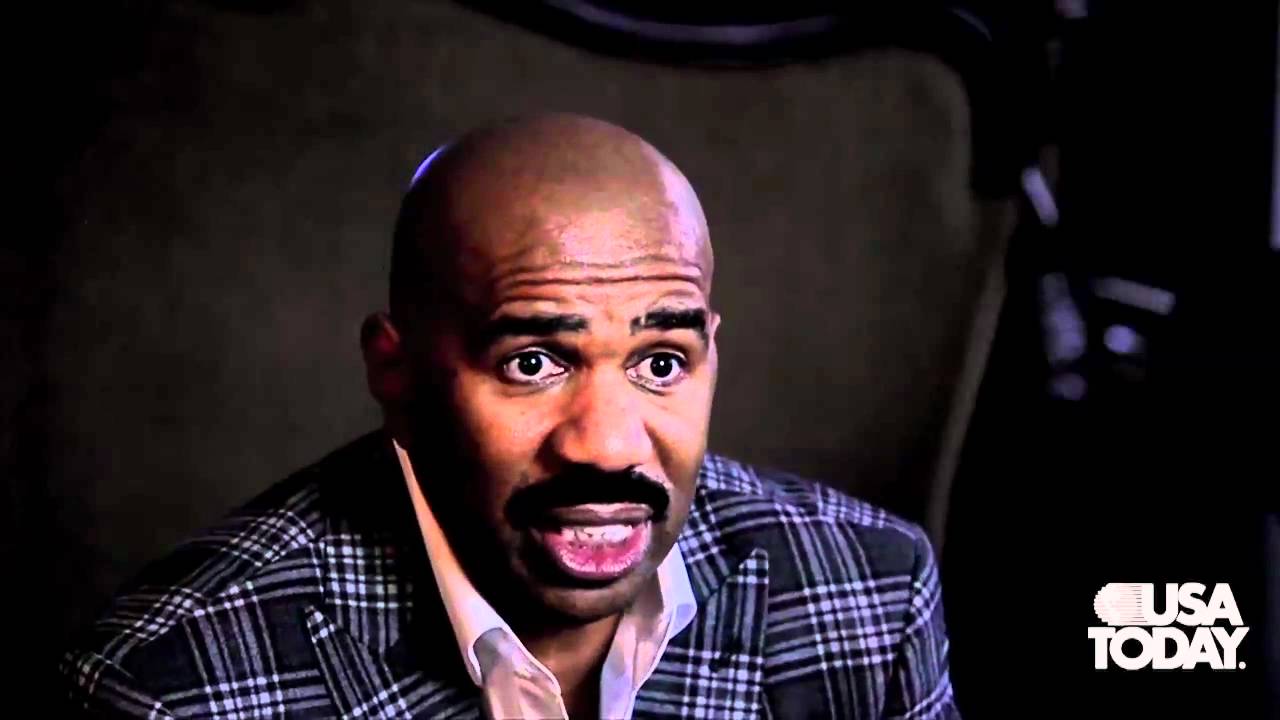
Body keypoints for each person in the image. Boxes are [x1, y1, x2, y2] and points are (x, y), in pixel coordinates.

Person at [60, 113, 958, 719]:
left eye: (660, 363)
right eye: (533, 363)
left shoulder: (871, 597)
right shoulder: (175, 687)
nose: (607, 444)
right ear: (396, 372)